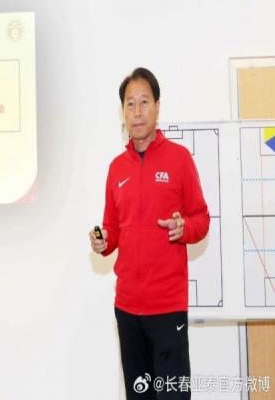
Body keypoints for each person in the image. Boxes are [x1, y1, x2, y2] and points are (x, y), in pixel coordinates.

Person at [89, 67, 210, 400]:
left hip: (167, 306)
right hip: (128, 308)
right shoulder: (116, 168)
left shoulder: (179, 159)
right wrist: (102, 241)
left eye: (144, 102)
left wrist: (184, 227)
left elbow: (201, 219)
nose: (137, 111)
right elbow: (112, 229)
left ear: (157, 106)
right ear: (123, 112)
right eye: (130, 104)